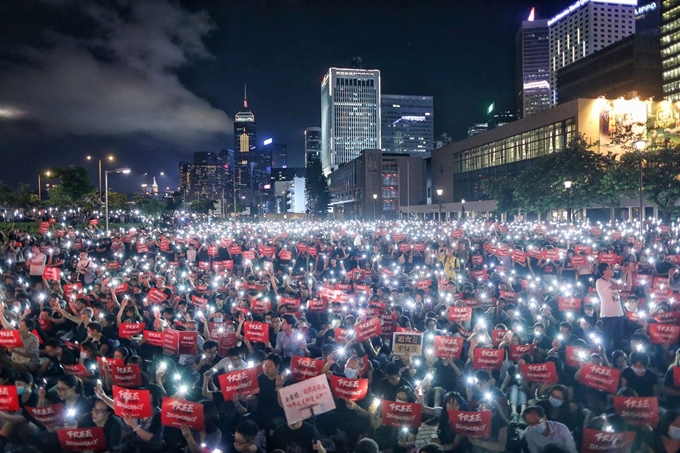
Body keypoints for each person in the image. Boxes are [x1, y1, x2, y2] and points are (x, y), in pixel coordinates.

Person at [595, 263, 631, 352]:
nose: (611, 270)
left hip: (619, 313)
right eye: (609, 269)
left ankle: (617, 358)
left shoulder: (612, 280)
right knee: (606, 339)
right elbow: (621, 286)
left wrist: (628, 273)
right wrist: (624, 273)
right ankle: (605, 358)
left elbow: (628, 287)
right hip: (608, 315)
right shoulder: (600, 281)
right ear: (604, 271)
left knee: (618, 338)